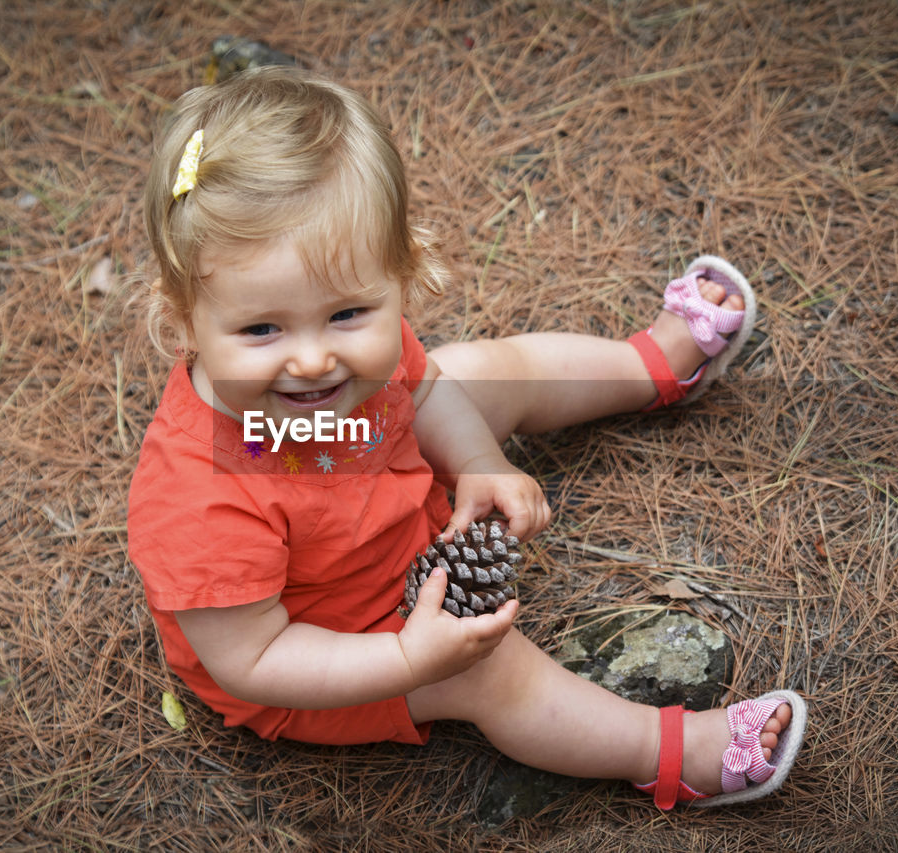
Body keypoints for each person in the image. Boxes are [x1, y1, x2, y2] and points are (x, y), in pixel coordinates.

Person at [127, 66, 807, 809]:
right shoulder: (199, 496)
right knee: (489, 672)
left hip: (391, 511)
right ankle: (666, 750)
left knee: (477, 372)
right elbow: (254, 660)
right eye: (262, 329)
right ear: (184, 319)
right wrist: (407, 656)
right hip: (340, 639)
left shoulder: (344, 367)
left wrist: (478, 460)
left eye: (349, 313)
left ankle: (646, 365)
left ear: (401, 274)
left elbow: (418, 391)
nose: (315, 358)